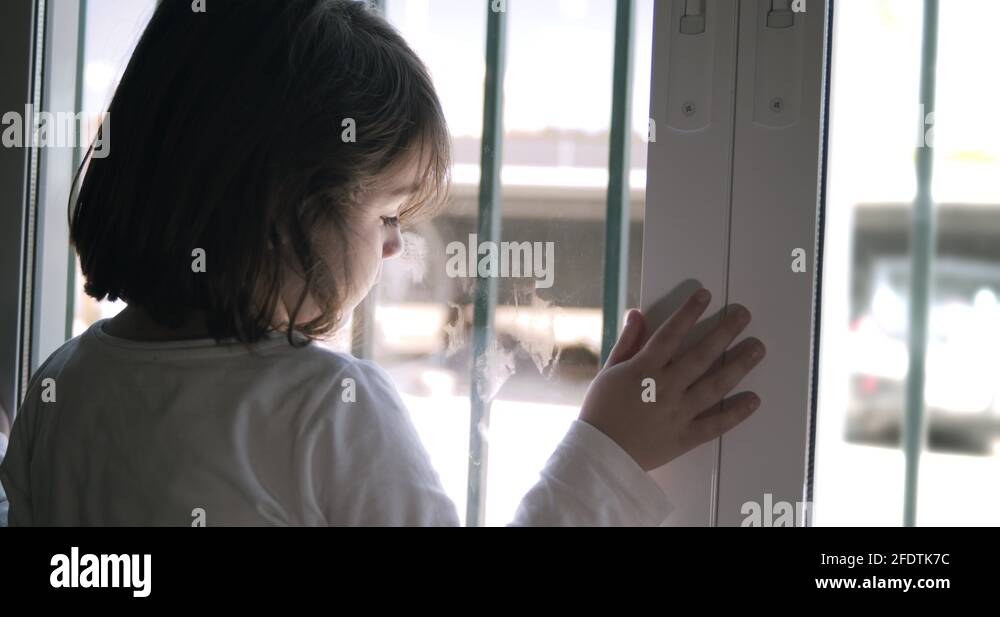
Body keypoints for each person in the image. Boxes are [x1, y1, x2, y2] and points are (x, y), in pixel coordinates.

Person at [0, 0, 765, 526]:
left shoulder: (60, 387)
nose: (397, 244)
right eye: (387, 213)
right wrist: (610, 448)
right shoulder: (328, 410)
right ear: (285, 208)